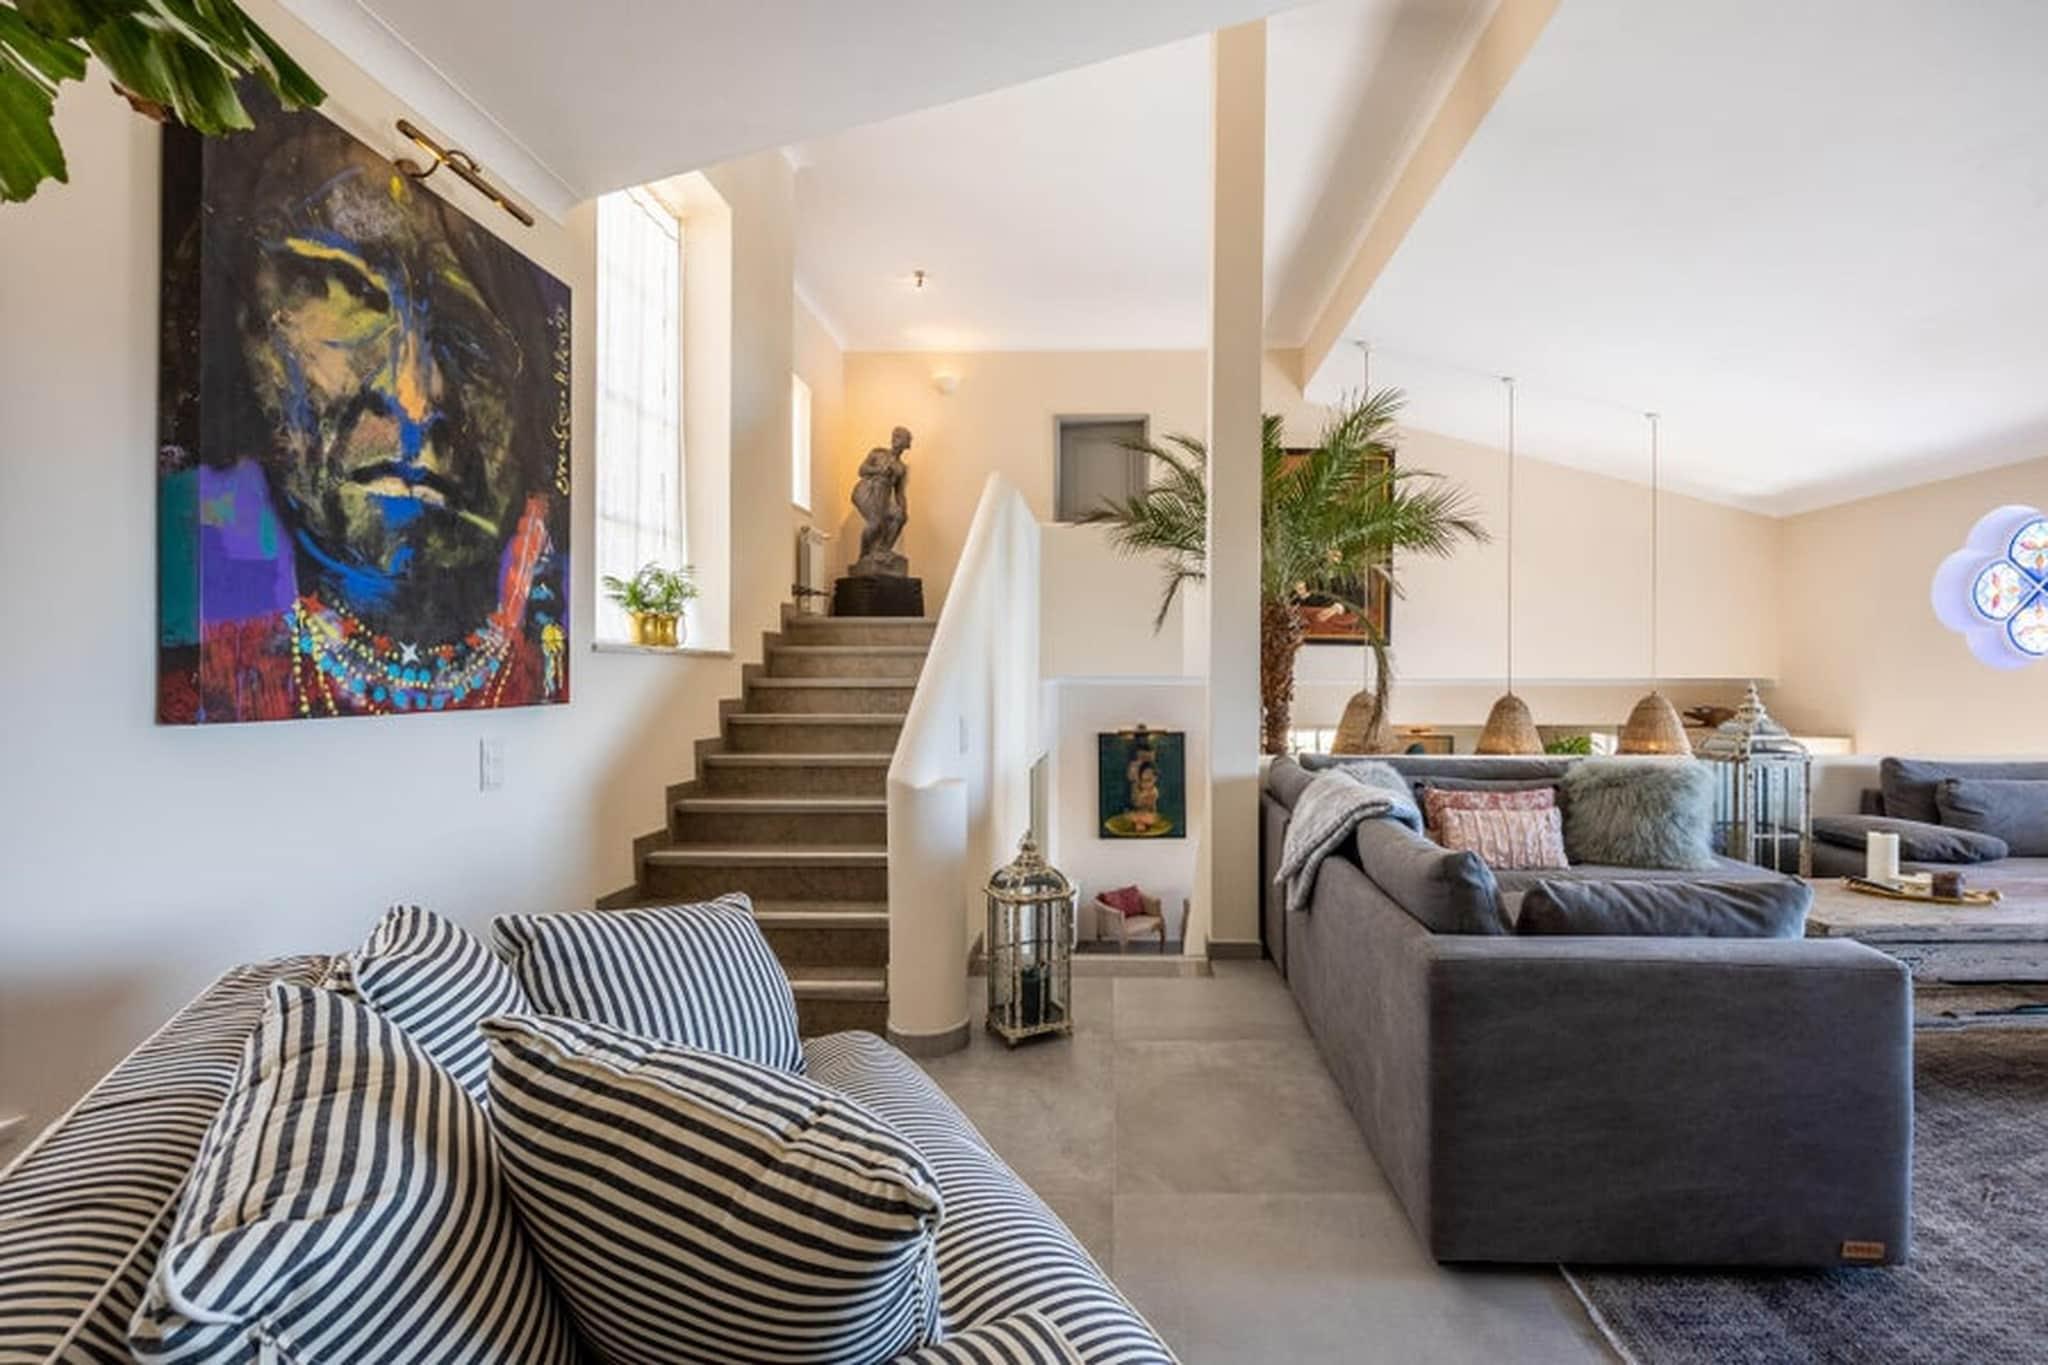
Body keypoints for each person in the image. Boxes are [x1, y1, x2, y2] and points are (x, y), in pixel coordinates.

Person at [158, 88, 570, 722]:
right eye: (343, 292)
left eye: (468, 339)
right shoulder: (199, 665)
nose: (414, 400)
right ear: (243, 326)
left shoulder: (545, 652)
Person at [851, 427, 913, 574]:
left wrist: (903, 509)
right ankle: (864, 556)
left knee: (898, 517)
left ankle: (882, 550)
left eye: (902, 438)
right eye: (896, 436)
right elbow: (862, 470)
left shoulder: (901, 468)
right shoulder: (878, 453)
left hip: (884, 496)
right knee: (875, 524)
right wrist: (879, 471)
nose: (897, 439)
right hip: (867, 490)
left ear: (906, 444)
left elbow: (899, 493)